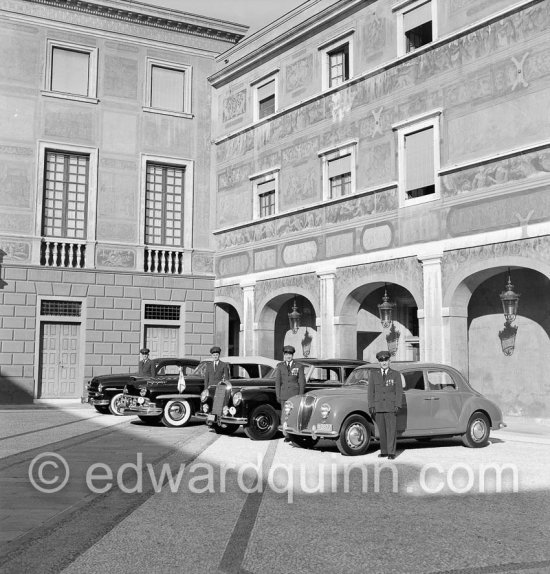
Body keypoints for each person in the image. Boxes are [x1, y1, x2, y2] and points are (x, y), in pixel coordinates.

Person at [367, 350, 404, 460]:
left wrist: (397, 405)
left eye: (386, 360)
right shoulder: (373, 375)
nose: (384, 363)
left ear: (389, 361)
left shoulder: (396, 374)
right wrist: (371, 405)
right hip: (378, 407)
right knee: (382, 431)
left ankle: (391, 452)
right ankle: (384, 451)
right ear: (379, 362)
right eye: (381, 360)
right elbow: (370, 392)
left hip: (391, 407)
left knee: (391, 430)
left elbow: (399, 391)